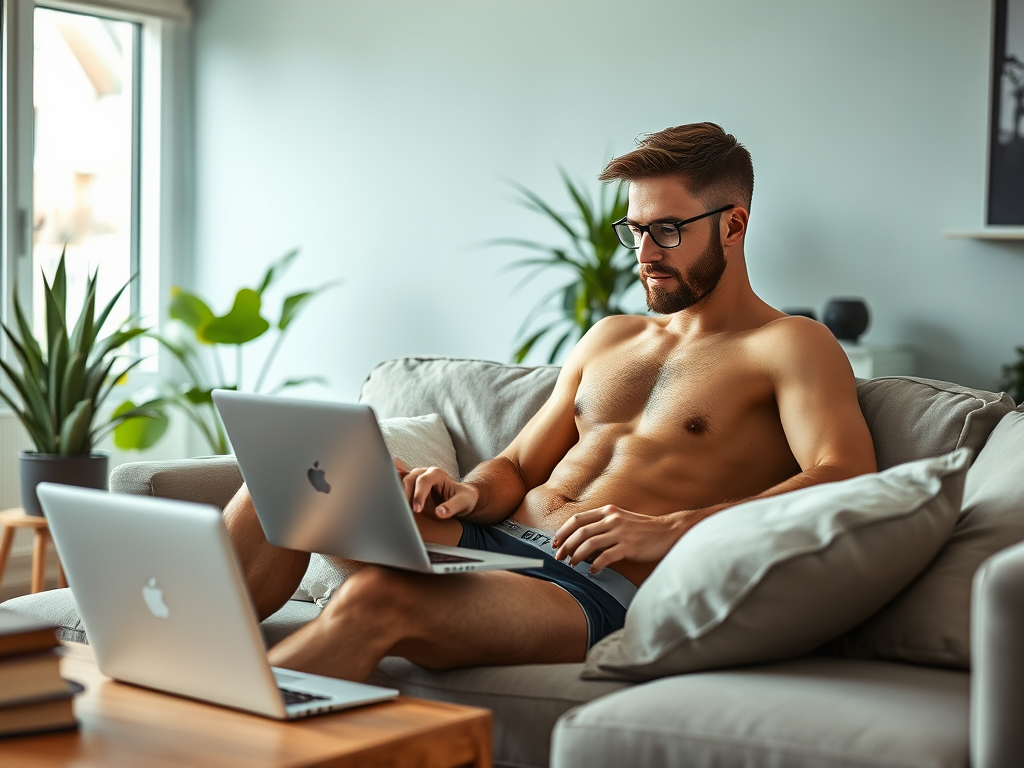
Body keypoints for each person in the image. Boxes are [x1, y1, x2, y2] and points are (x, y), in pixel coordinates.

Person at [224, 122, 877, 682]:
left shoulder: (790, 344)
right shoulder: (611, 337)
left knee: (375, 598)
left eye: (669, 232)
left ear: (733, 225)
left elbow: (846, 473)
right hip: (492, 537)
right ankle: (169, 672)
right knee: (284, 489)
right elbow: (513, 467)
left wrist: (670, 527)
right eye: (636, 230)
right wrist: (464, 494)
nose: (645, 256)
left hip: (594, 583)